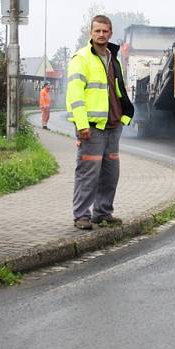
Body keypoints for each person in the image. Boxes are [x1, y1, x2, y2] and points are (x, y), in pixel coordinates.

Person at [66, 14, 134, 230]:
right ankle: (81, 216)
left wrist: (123, 117)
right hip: (92, 127)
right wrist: (82, 124)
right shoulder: (81, 58)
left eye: (105, 31)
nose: (101, 34)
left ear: (110, 33)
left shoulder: (113, 58)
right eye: (98, 31)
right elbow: (75, 94)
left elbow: (119, 91)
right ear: (91, 33)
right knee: (88, 173)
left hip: (113, 126)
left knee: (109, 174)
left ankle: (103, 213)